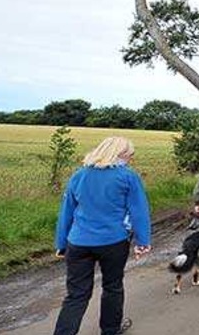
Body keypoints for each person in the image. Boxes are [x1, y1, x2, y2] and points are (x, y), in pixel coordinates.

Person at [53, 136, 151, 335]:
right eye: (129, 155)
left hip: (78, 242)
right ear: (120, 154)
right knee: (113, 287)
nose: (130, 159)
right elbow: (139, 210)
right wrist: (143, 241)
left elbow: (67, 210)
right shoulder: (128, 176)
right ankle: (110, 330)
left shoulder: (79, 175)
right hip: (113, 242)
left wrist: (61, 242)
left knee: (76, 295)